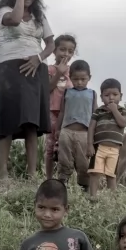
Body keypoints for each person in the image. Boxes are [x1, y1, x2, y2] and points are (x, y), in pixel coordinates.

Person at [0, 0, 55, 179]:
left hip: (36, 68)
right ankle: (3, 172)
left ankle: (32, 173)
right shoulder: (4, 10)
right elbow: (16, 19)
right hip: (11, 68)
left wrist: (38, 58)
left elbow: (51, 44)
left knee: (31, 121)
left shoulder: (39, 16)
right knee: (7, 118)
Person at [55, 60, 96, 191]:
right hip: (66, 132)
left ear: (89, 77)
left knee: (84, 163)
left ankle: (85, 190)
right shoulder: (67, 92)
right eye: (75, 79)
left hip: (85, 134)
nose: (79, 82)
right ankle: (62, 187)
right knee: (64, 161)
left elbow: (95, 115)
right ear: (70, 77)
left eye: (83, 79)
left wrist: (95, 135)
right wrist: (57, 129)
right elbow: (62, 112)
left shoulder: (92, 94)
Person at [87, 78, 126, 198]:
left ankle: (111, 201)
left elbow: (123, 123)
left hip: (115, 150)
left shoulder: (122, 111)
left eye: (115, 94)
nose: (111, 98)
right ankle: (93, 197)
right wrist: (89, 145)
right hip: (99, 147)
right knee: (95, 173)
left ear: (121, 96)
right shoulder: (98, 112)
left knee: (111, 175)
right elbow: (91, 128)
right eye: (107, 95)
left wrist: (115, 110)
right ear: (101, 97)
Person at [46, 35, 76, 179]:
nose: (66, 54)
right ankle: (49, 178)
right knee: (51, 146)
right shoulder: (50, 69)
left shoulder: (74, 71)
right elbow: (48, 88)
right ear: (54, 51)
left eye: (70, 51)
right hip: (53, 111)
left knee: (66, 146)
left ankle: (64, 178)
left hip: (69, 114)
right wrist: (59, 72)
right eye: (62, 50)